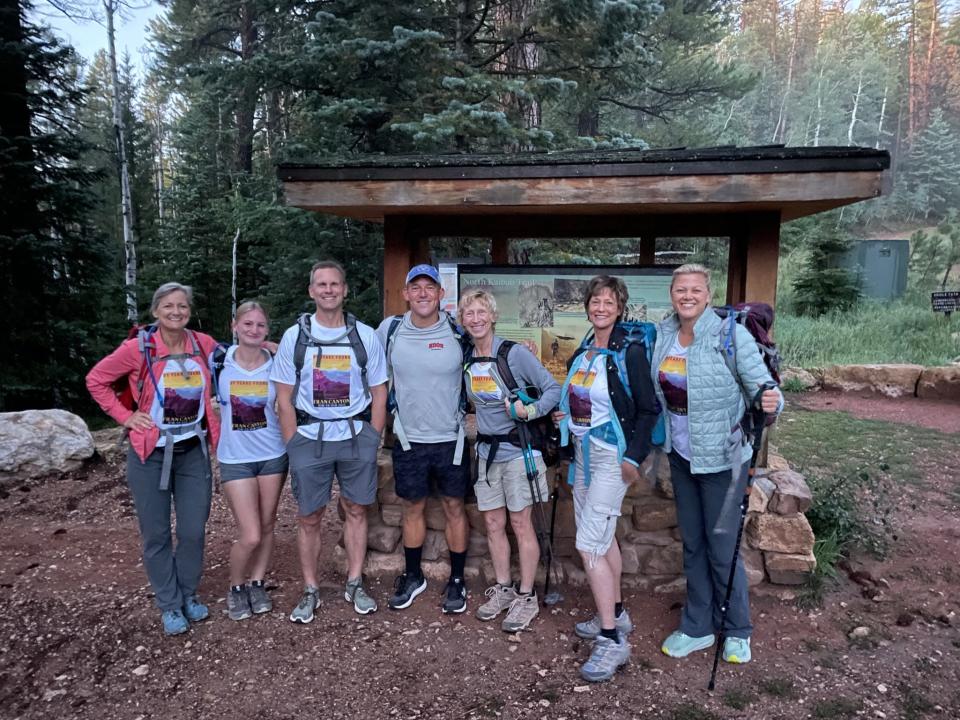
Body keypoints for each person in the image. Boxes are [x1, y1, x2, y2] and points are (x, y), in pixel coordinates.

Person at [652, 263, 782, 665]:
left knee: (721, 547)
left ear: (708, 295)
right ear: (672, 294)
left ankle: (737, 629)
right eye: (680, 289)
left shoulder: (730, 335)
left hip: (724, 460)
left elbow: (765, 387)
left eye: (695, 289)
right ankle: (697, 626)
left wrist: (772, 399)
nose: (687, 296)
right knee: (692, 545)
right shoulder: (664, 334)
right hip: (682, 455)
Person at [86, 282, 220, 636]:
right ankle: (170, 604)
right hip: (149, 454)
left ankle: (188, 593)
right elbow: (96, 379)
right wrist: (125, 417)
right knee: (156, 534)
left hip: (193, 451)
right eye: (169, 306)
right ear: (156, 311)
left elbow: (235, 357)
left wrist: (268, 347)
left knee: (192, 532)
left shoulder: (201, 344)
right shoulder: (137, 348)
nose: (176, 312)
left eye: (182, 306)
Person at [554, 275, 659, 682]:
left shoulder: (629, 352)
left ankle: (612, 640)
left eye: (608, 302)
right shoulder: (582, 352)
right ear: (588, 307)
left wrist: (634, 456)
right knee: (602, 535)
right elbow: (583, 403)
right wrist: (564, 415)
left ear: (620, 308)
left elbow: (648, 409)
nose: (600, 307)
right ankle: (614, 613)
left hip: (612, 457)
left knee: (589, 544)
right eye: (595, 301)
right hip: (583, 454)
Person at [271, 260, 387, 623]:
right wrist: (293, 442)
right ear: (311, 291)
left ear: (345, 290)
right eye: (321, 284)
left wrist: (373, 437)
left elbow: (380, 391)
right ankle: (310, 588)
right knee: (309, 516)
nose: (328, 290)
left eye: (335, 284)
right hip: (309, 437)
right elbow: (284, 395)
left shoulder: (365, 336)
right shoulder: (295, 337)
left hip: (355, 437)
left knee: (356, 510)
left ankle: (355, 581)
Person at [459, 289, 560, 633]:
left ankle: (527, 595)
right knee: (492, 525)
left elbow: (552, 390)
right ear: (462, 320)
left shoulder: (514, 353)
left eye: (481, 312)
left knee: (520, 525)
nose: (475, 319)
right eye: (468, 314)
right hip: (487, 453)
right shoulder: (468, 356)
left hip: (520, 452)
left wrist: (529, 411)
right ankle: (503, 589)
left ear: (493, 315)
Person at [376, 264, 472, 614]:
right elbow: (360, 360)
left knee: (453, 508)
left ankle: (457, 580)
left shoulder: (458, 332)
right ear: (405, 294)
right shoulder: (391, 330)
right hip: (407, 438)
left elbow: (489, 357)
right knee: (412, 507)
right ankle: (413, 574)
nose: (422, 293)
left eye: (429, 287)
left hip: (451, 437)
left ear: (441, 294)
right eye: (415, 287)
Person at [212, 301, 288, 621]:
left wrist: (278, 346)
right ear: (234, 326)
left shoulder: (276, 362)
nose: (254, 330)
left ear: (267, 330)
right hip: (236, 458)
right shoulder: (219, 361)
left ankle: (257, 582)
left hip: (272, 455)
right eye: (247, 324)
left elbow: (301, 361)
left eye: (259, 325)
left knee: (268, 525)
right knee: (251, 533)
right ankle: (236, 586)